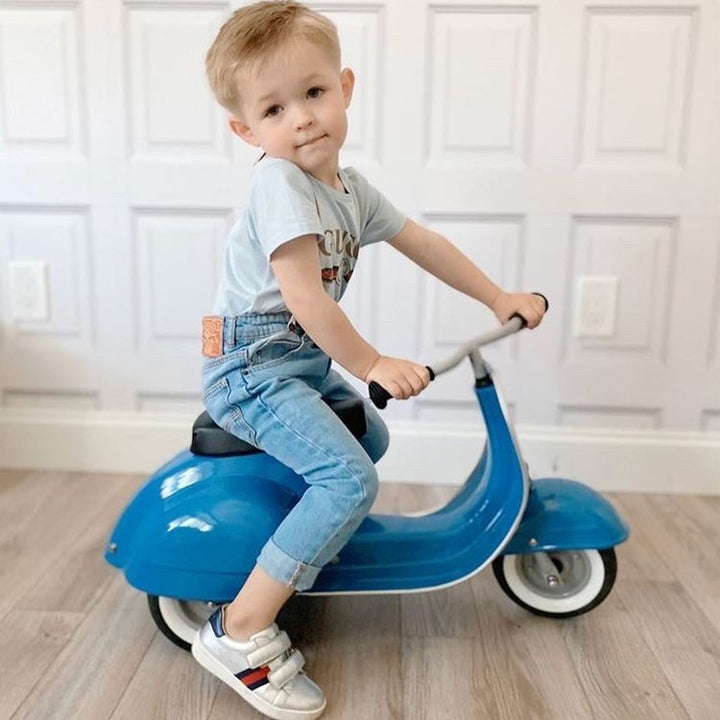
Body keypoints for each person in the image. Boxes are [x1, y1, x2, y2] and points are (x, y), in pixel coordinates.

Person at [192, 2, 547, 719]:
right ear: (246, 131)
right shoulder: (278, 184)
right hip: (251, 369)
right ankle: (239, 631)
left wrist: (497, 296)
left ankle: (298, 547)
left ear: (345, 87)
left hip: (292, 362)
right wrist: (374, 362)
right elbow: (305, 299)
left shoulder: (349, 190)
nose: (301, 119)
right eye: (274, 109)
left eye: (313, 92)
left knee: (369, 435)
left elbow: (424, 244)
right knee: (349, 477)